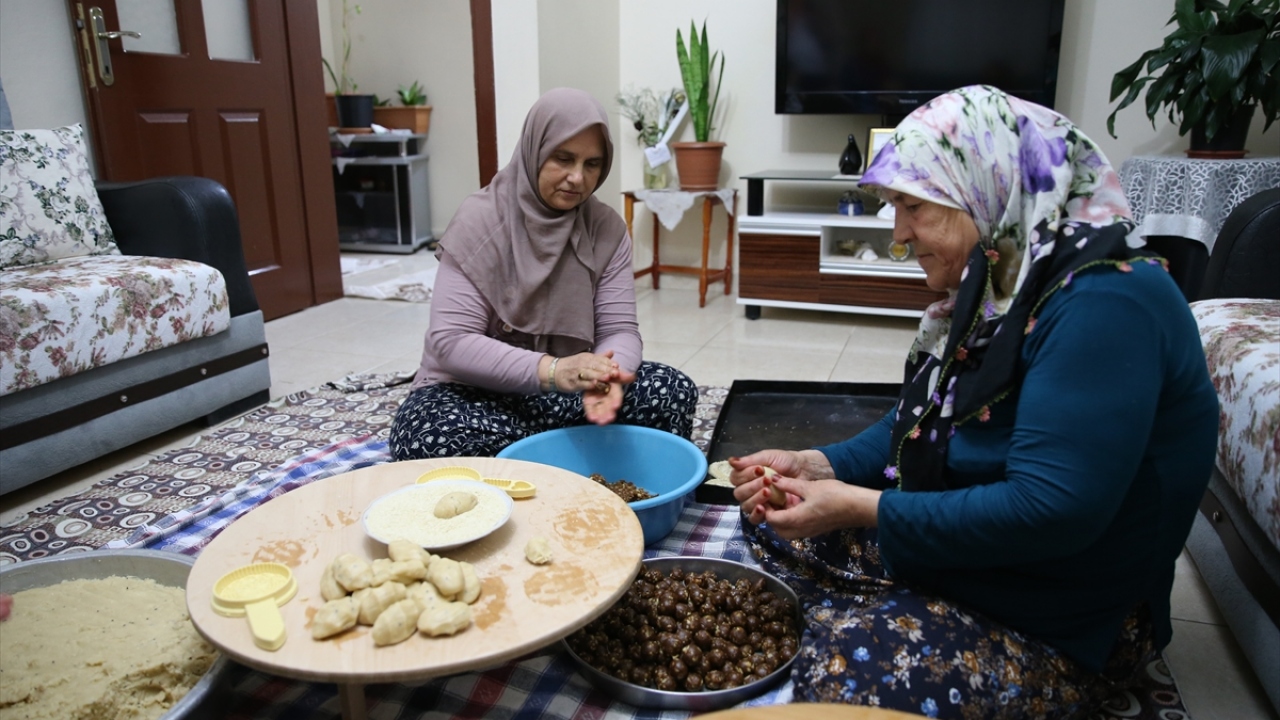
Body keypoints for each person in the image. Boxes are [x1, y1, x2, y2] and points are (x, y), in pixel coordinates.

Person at [724, 86, 1218, 718]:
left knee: (852, 670)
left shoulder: (1107, 303)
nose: (898, 235)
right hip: (977, 550)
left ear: (986, 187)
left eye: (912, 206)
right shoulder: (1000, 276)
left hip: (1061, 605)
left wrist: (863, 507)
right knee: (769, 517)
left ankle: (928, 627)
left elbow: (1052, 511)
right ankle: (910, 610)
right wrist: (819, 466)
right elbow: (918, 424)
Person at [390, 88, 698, 460]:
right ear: (534, 150)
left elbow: (619, 330)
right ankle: (564, 466)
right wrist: (551, 370)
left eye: (592, 164)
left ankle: (538, 467)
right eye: (563, 159)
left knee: (669, 390)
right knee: (431, 434)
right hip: (475, 394)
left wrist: (609, 376)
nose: (577, 178)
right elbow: (451, 340)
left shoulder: (605, 228)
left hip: (565, 396)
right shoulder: (481, 219)